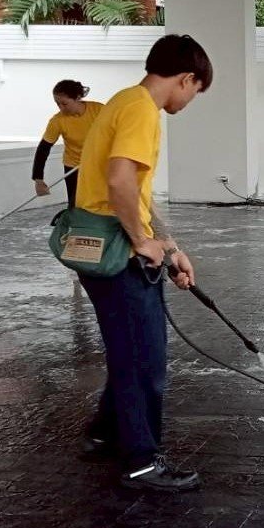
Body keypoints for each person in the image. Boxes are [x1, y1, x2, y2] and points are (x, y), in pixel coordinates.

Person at [76, 34, 213, 491]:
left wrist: (169, 247)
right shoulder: (141, 110)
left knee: (127, 347)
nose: (192, 99)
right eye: (196, 90)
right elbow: (119, 183)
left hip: (96, 243)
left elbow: (135, 190)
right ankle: (141, 462)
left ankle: (104, 432)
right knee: (144, 358)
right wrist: (141, 241)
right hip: (116, 248)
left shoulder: (123, 101)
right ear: (185, 78)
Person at [32, 80, 104, 208]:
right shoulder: (57, 121)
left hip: (100, 164)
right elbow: (43, 149)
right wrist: (39, 180)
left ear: (77, 98)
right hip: (73, 167)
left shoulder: (99, 110)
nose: (61, 108)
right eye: (57, 103)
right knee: (76, 204)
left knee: (102, 202)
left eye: (64, 103)